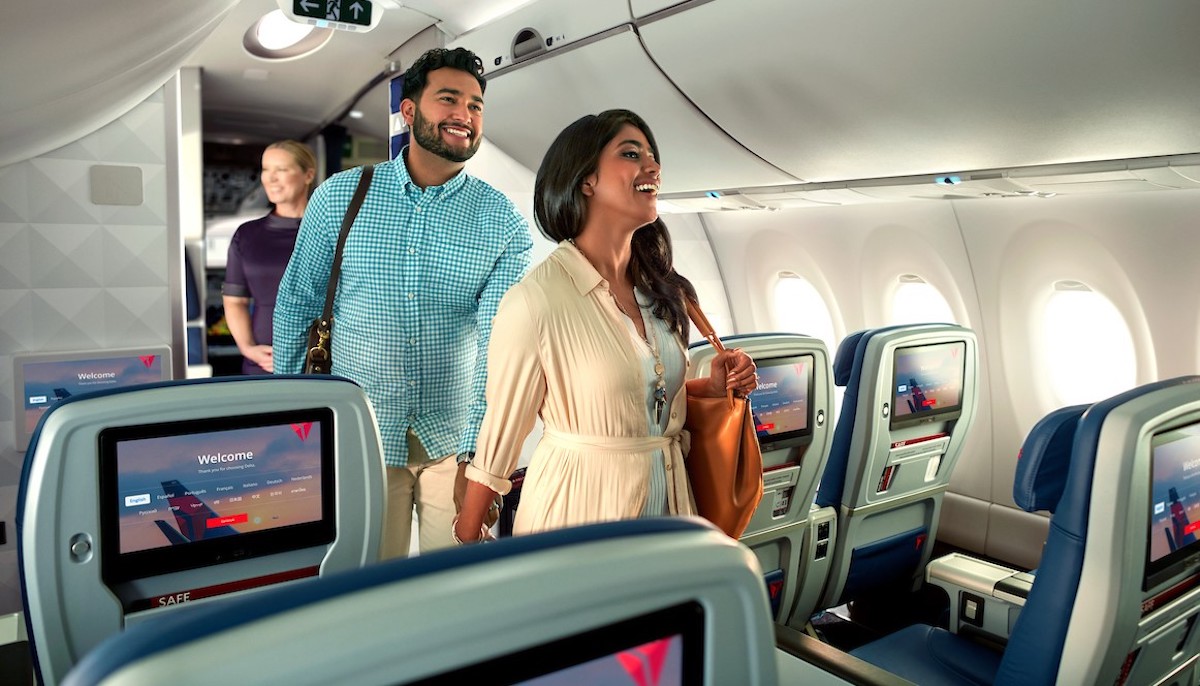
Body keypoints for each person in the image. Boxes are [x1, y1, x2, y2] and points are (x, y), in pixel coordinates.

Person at [273, 47, 532, 558]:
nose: (465, 114)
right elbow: (297, 307)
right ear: (410, 111)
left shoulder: (502, 222)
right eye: (449, 99)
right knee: (367, 585)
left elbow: (498, 345)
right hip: (362, 433)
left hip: (454, 439)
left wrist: (480, 456)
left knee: (457, 586)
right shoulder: (340, 197)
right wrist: (291, 428)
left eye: (476, 105)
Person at [454, 109, 758, 543]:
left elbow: (636, 399)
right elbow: (500, 435)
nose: (652, 166)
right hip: (579, 515)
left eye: (653, 156)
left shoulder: (662, 290)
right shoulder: (536, 300)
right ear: (586, 180)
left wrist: (706, 389)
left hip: (670, 514)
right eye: (631, 154)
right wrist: (467, 539)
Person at [222, 140, 317, 375]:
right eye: (266, 169)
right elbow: (235, 301)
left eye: (281, 170)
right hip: (262, 363)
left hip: (321, 359)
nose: (270, 178)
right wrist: (248, 349)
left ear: (308, 175)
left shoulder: (331, 231)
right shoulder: (246, 234)